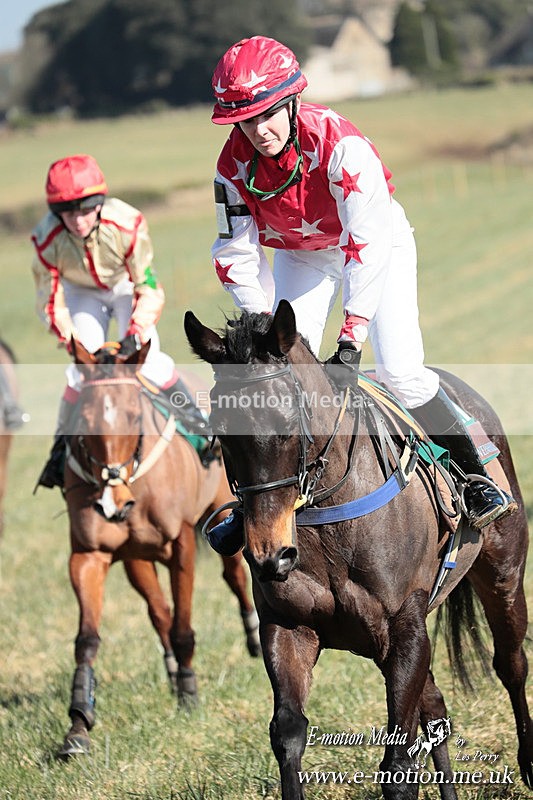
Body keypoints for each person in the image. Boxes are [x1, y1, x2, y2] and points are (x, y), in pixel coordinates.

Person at [204, 35, 516, 554]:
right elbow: (235, 249)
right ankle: (259, 503)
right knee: (273, 374)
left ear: (290, 102)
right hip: (302, 254)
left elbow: (366, 248)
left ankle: (475, 475)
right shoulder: (231, 167)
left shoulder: (341, 145)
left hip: (374, 244)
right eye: (245, 121)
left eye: (267, 116)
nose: (258, 132)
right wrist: (262, 326)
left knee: (402, 372)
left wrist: (351, 341)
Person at [32, 154, 209, 489]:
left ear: (99, 204)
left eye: (85, 210)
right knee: (79, 373)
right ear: (57, 214)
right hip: (81, 292)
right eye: (69, 213)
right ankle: (58, 452)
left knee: (151, 363)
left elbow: (148, 286)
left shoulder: (127, 224)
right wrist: (77, 345)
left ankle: (200, 430)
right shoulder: (46, 239)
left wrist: (135, 334)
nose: (79, 221)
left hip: (125, 286)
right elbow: (50, 301)